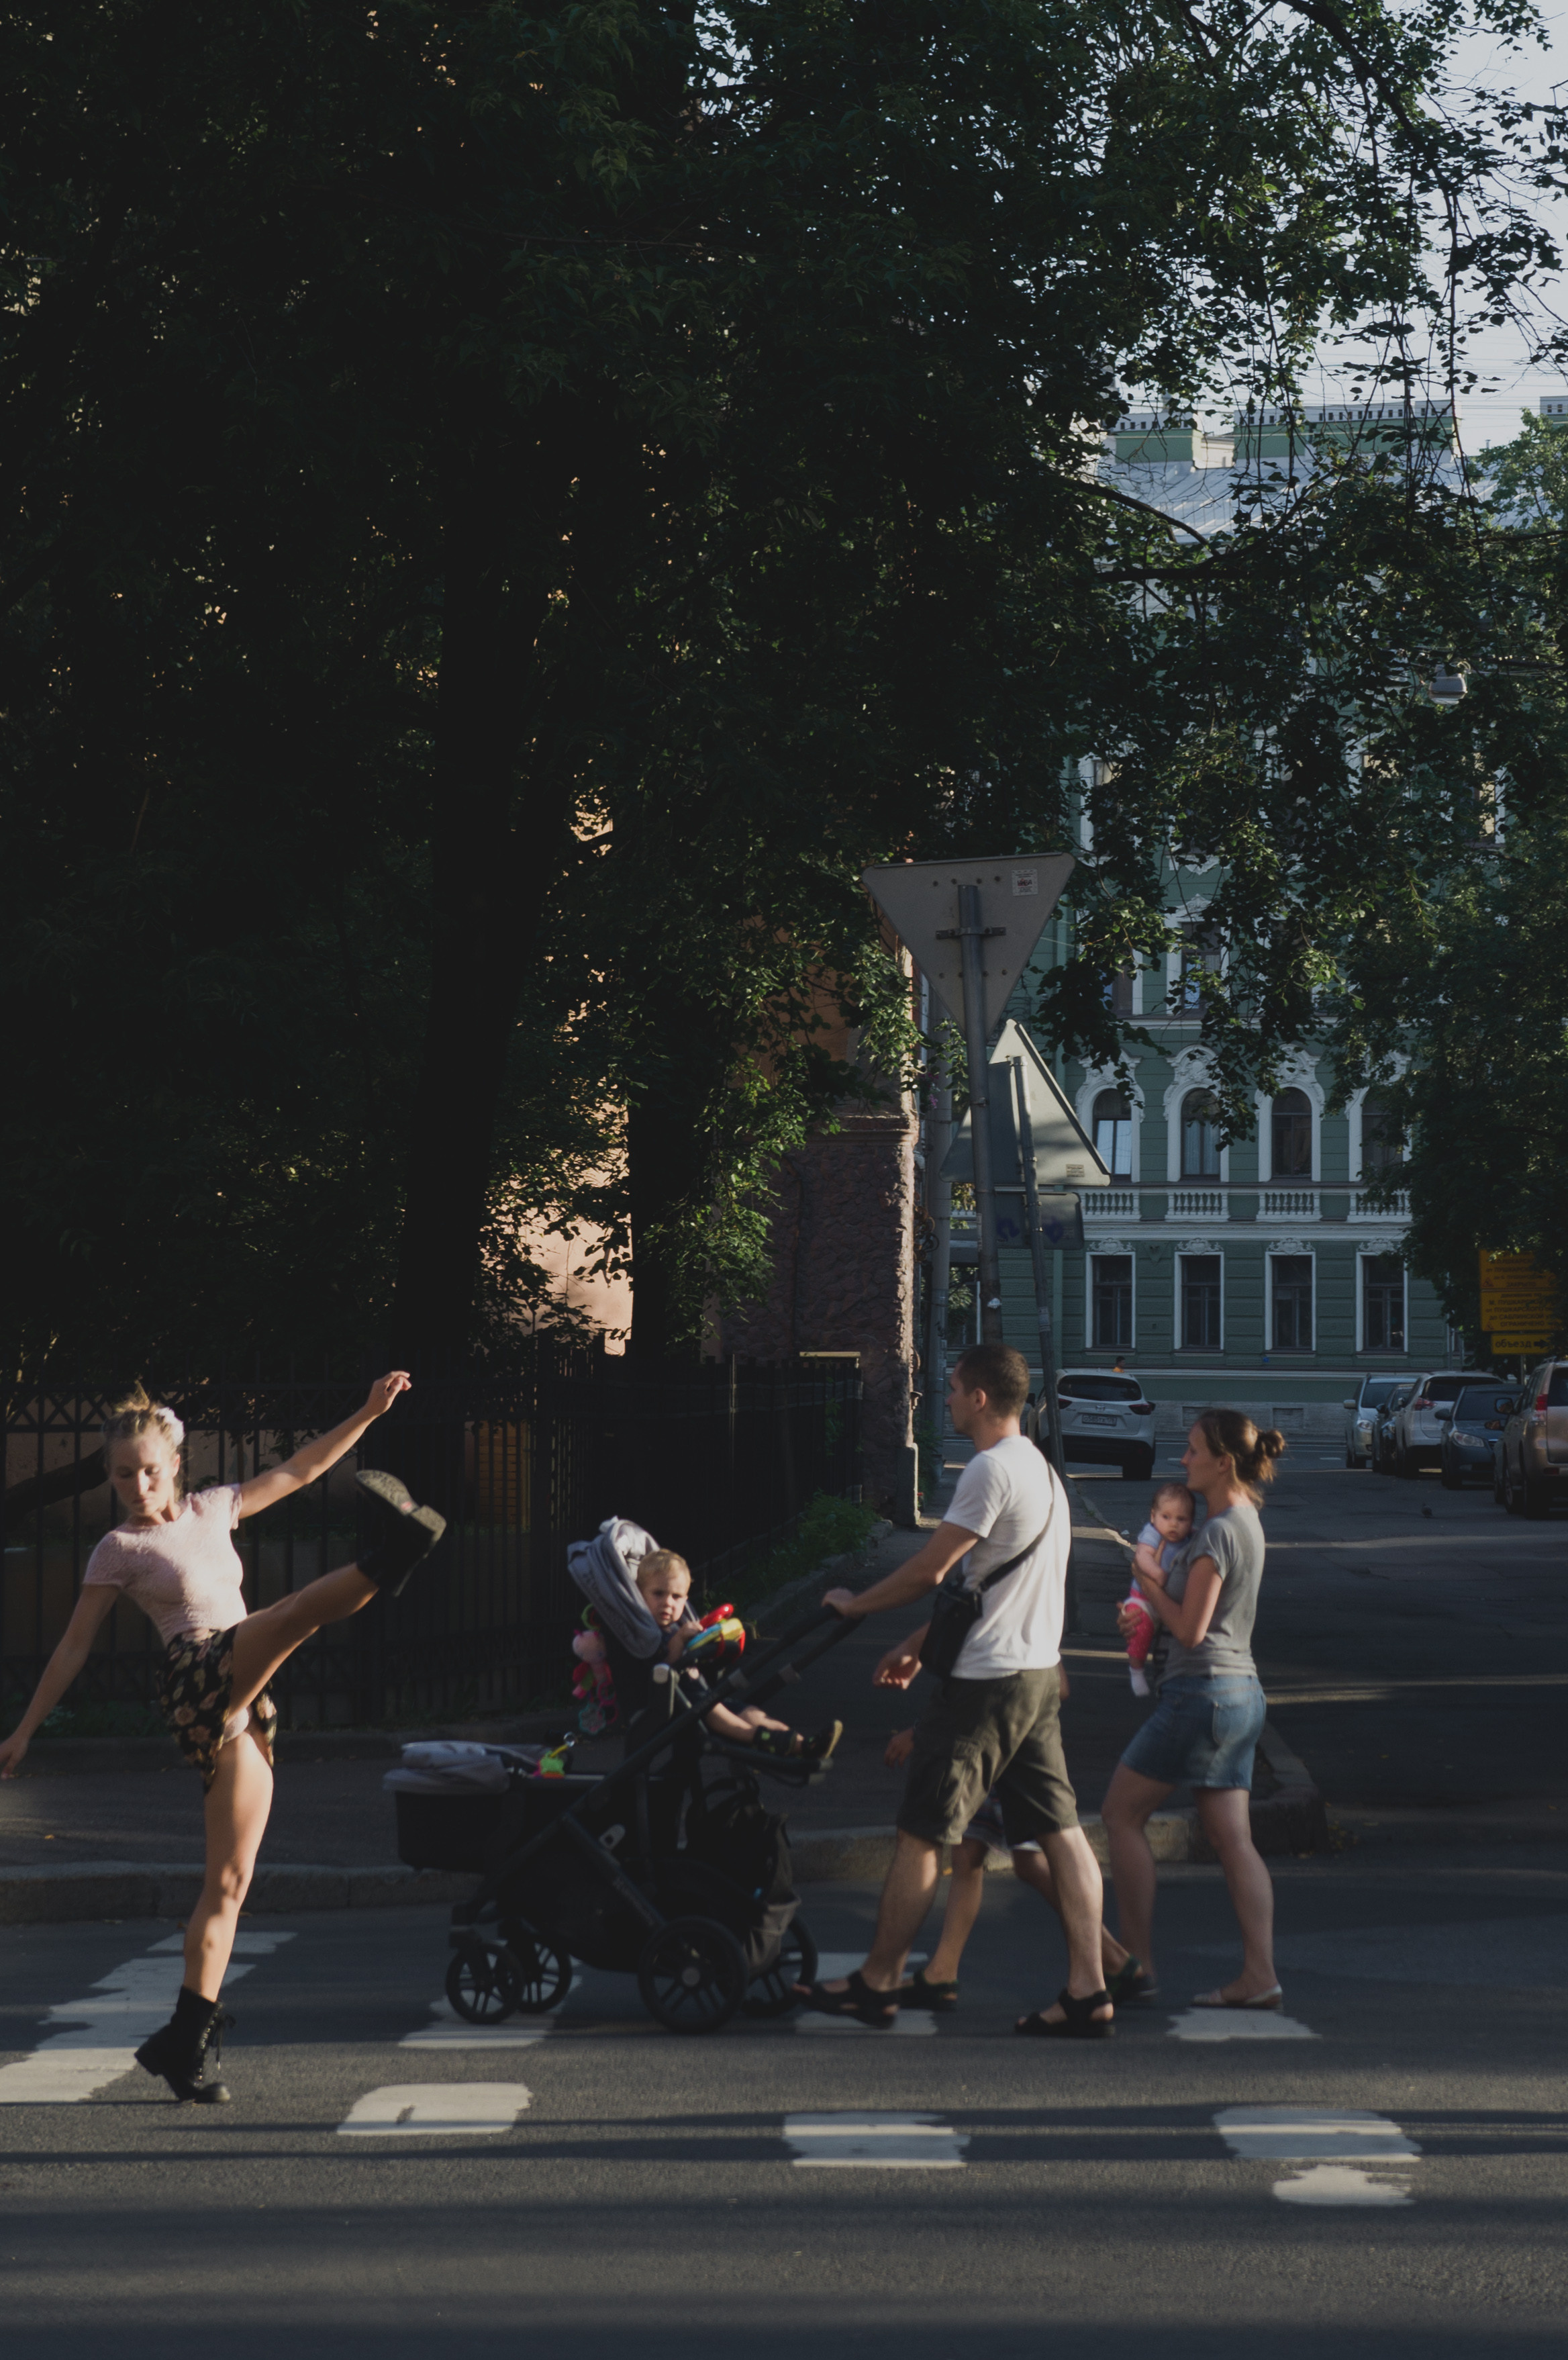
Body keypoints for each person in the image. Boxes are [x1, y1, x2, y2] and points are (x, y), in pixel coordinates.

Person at [0, 1377, 446, 2103]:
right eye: (121, 1475)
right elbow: (72, 1649)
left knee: (229, 1884)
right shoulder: (118, 1547)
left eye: (149, 1469)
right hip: (195, 1673)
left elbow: (300, 1469)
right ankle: (392, 1551)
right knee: (293, 1614)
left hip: (242, 1700)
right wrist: (23, 1731)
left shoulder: (213, 1508)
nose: (137, 1485)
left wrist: (366, 1411)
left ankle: (185, 2040)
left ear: (176, 1463)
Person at [794, 1341, 1113, 2036]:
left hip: (984, 1685)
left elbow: (929, 1573)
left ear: (978, 1397)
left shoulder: (989, 1469)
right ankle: (1089, 1988)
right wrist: (916, 1646)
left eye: (950, 1387)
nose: (943, 1398)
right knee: (1063, 1835)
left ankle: (877, 1982)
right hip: (1032, 1675)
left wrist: (855, 1605)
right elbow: (990, 1585)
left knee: (922, 1832)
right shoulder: (1042, 1472)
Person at [1101, 1408, 1285, 2010]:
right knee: (1235, 1840)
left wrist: (1145, 1580)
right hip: (1240, 1695)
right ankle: (1259, 1974)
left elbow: (1190, 1628)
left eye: (1192, 1449)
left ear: (1223, 1461)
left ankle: (1136, 1961)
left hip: (1201, 1693)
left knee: (1119, 1814)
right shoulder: (1245, 1521)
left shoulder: (1218, 1533)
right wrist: (1146, 1610)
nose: (1183, 1459)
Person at [881, 1721, 1145, 2009]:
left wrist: (923, 1733)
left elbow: (1008, 1687)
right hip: (997, 1746)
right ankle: (942, 1973)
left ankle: (1114, 1961)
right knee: (970, 1851)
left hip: (1010, 1747)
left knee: (1031, 1860)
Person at [605, 1548, 841, 1763]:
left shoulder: (678, 1627)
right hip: (675, 1706)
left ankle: (804, 1744)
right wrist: (678, 1643)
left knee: (751, 1712)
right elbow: (663, 1671)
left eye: (676, 1597)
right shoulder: (647, 1635)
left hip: (699, 1696)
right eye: (658, 1594)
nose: (667, 1603)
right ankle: (766, 1740)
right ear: (640, 1595)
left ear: (686, 1599)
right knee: (722, 1717)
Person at [1122, 1482, 1195, 1697]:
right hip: (1144, 1598)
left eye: (1182, 1519)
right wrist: (1158, 1574)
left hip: (1169, 1604)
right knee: (1141, 1629)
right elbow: (1142, 1557)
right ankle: (1136, 1670)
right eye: (1167, 1517)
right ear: (1153, 1516)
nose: (1173, 1524)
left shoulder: (1190, 1540)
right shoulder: (1153, 1533)